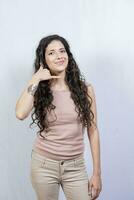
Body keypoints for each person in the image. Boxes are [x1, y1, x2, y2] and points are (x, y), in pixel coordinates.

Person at [15, 34, 102, 200]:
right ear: (44, 60)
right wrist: (36, 78)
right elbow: (20, 113)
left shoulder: (85, 89)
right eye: (51, 53)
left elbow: (93, 130)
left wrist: (97, 173)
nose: (59, 56)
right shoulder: (39, 89)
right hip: (44, 165)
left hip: (75, 167)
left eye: (62, 51)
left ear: (68, 55)